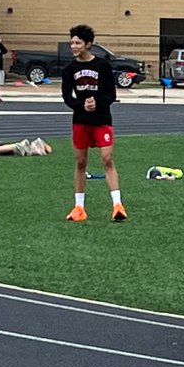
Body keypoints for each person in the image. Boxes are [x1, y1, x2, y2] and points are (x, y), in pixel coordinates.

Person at [61, 23, 127, 221]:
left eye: (78, 43)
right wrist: (82, 105)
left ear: (88, 44)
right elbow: (67, 97)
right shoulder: (70, 69)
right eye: (72, 42)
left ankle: (118, 205)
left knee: (107, 159)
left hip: (102, 120)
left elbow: (111, 94)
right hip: (81, 121)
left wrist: (97, 104)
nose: (73, 46)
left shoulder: (102, 65)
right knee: (81, 162)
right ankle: (79, 207)